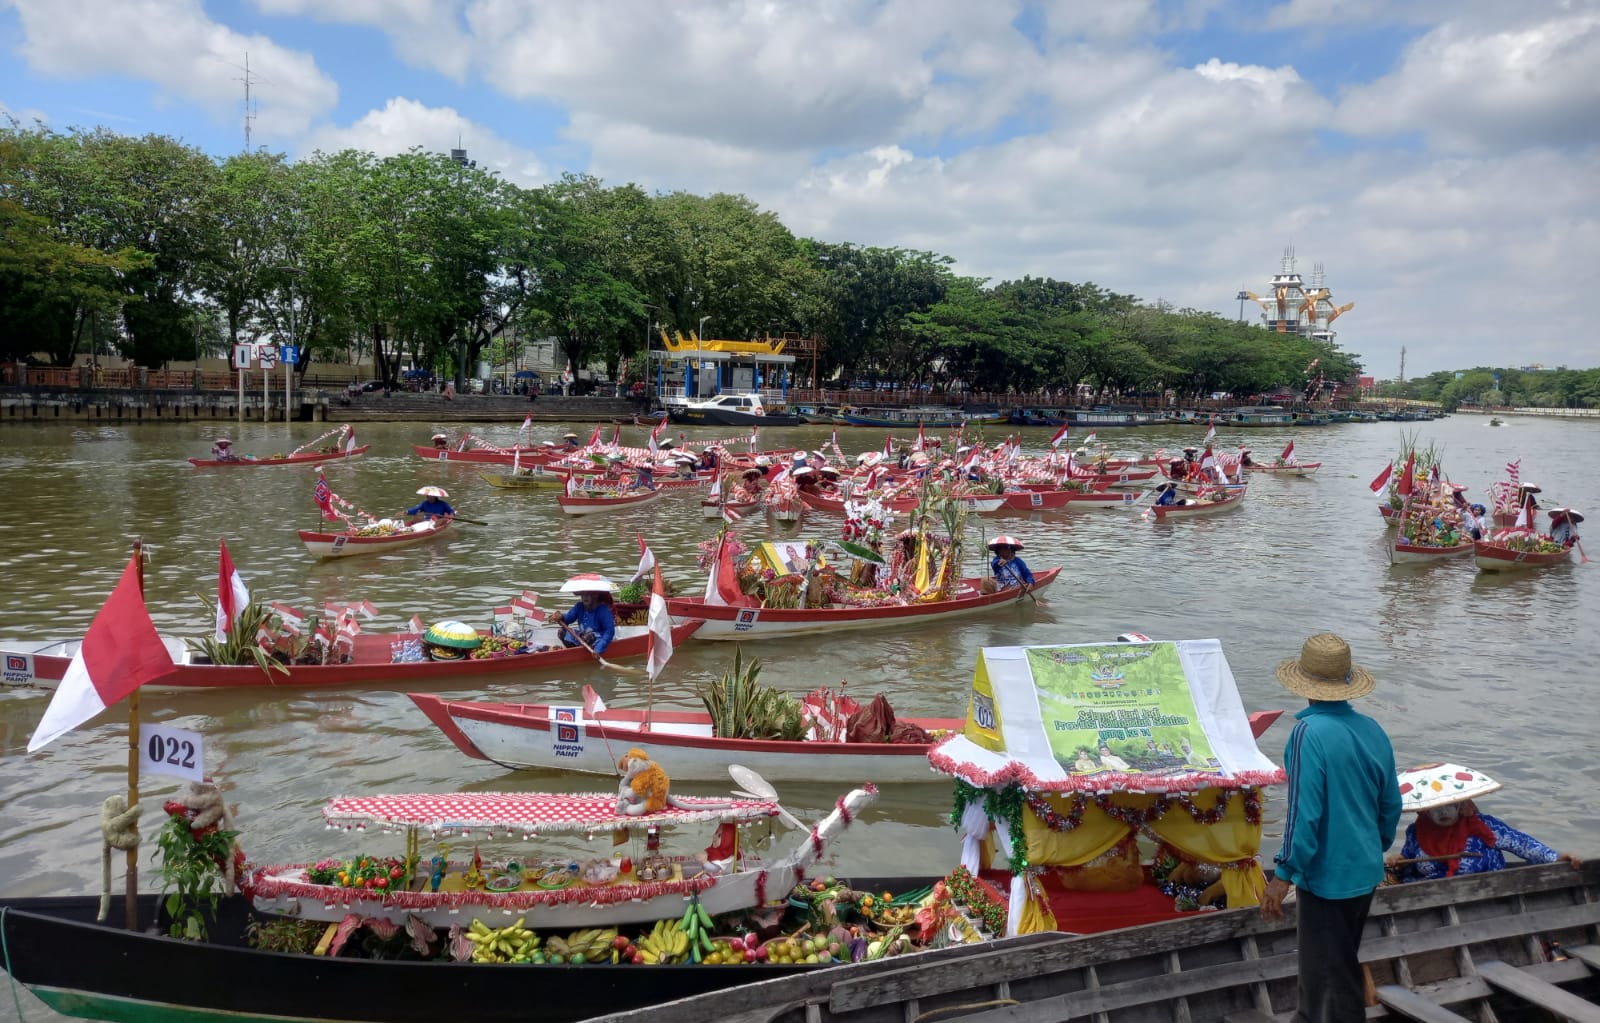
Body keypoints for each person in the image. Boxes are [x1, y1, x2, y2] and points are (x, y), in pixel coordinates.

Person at [1261, 633, 1401, 1023]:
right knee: (1338, 966)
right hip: (1365, 870)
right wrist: (1371, 846)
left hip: (1327, 878)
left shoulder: (1308, 734)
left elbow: (1303, 816)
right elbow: (1391, 804)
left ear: (1304, 685)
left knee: (1328, 979)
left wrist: (1283, 874)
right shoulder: (1372, 729)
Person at [1387, 762, 1581, 883]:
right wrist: (1399, 862)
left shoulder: (1485, 827)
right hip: (1433, 897)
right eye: (1435, 808)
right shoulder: (1416, 832)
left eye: (1450, 806)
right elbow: (1409, 863)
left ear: (1462, 805)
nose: (1443, 812)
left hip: (1490, 893)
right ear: (1424, 811)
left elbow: (1523, 844)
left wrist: (1557, 857)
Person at [560, 585, 616, 655]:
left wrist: (599, 648)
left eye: (588, 594)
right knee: (562, 632)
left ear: (595, 596)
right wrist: (560, 617)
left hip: (598, 638)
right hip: (583, 637)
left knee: (588, 637)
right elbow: (567, 619)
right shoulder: (579, 606)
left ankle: (579, 653)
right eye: (583, 595)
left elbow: (609, 631)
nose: (584, 597)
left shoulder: (603, 610)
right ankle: (574, 652)